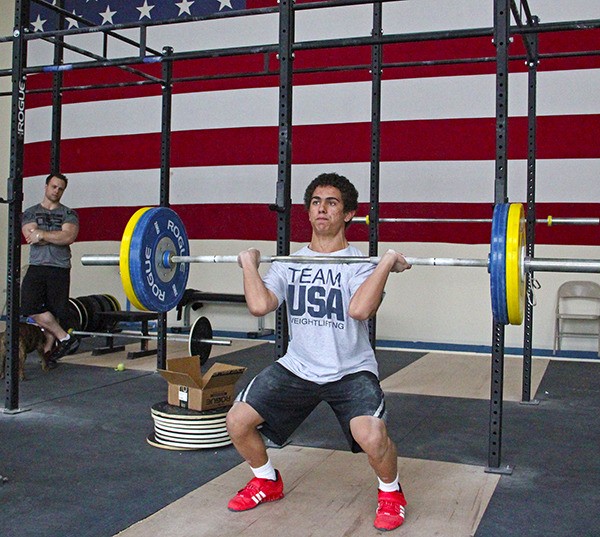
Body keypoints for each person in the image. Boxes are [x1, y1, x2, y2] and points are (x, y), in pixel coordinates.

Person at [227, 172, 412, 531]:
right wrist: (249, 263)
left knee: (372, 436)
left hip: (351, 371)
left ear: (348, 215)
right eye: (315, 202)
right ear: (308, 212)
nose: (322, 208)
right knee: (237, 421)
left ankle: (391, 492)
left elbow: (360, 311)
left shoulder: (359, 264)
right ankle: (266, 479)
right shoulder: (289, 262)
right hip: (299, 367)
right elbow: (259, 306)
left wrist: (386, 262)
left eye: (332, 202)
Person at [21, 173, 80, 365]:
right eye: (54, 186)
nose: (56, 191)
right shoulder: (30, 212)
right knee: (30, 306)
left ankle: (48, 353)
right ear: (46, 186)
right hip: (37, 266)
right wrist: (52, 235)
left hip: (59, 268)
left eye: (60, 188)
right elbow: (30, 236)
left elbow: (68, 237)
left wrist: (42, 234)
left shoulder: (69, 214)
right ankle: (65, 338)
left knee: (55, 311)